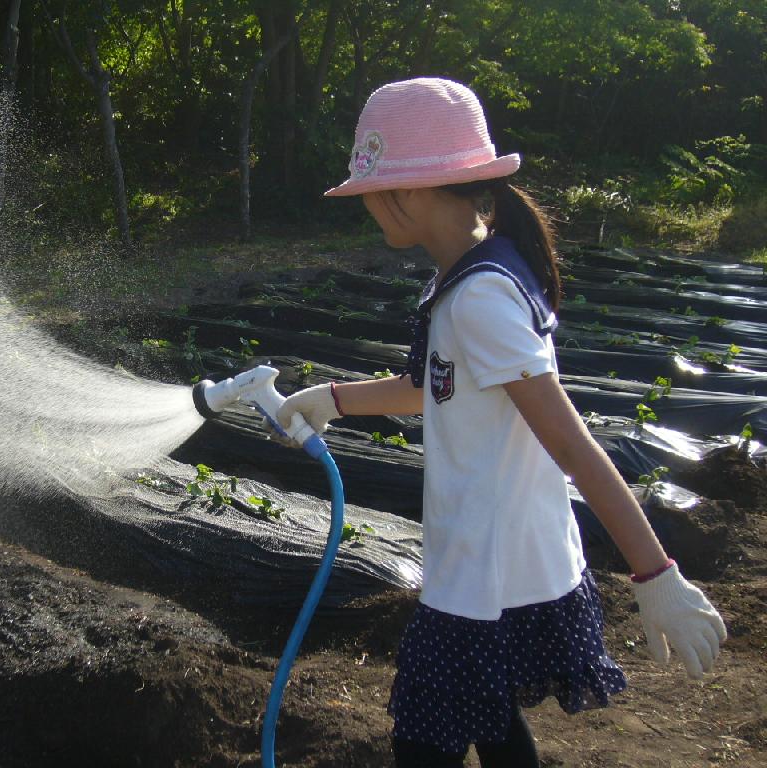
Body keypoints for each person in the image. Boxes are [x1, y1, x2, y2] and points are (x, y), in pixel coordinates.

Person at [272, 78, 727, 768]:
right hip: (506, 559)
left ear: (411, 190)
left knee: (424, 740)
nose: (365, 205)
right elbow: (435, 387)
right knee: (491, 721)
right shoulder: (475, 272)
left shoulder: (478, 298)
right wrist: (333, 397)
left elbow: (571, 441)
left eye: (368, 189)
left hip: (482, 570)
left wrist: (654, 573)